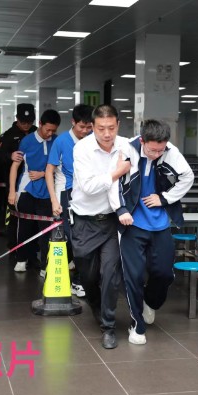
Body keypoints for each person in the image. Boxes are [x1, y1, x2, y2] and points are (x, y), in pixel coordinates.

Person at [110, 120, 194, 345]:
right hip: (132, 224)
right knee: (134, 277)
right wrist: (120, 209)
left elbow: (188, 176)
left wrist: (165, 198)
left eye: (161, 150)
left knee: (165, 274)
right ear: (142, 141)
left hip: (160, 224)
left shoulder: (170, 151)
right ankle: (137, 324)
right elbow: (113, 181)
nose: (157, 154)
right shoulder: (126, 149)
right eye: (152, 150)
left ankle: (151, 301)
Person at [70, 104, 131, 349]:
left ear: (118, 125)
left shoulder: (126, 146)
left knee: (110, 274)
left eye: (112, 128)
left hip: (111, 221)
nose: (107, 134)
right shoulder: (82, 148)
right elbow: (88, 187)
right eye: (101, 128)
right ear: (92, 127)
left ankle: (108, 326)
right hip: (84, 221)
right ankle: (95, 304)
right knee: (88, 275)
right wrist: (117, 173)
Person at [45, 104, 94, 298]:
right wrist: (53, 200)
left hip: (88, 194)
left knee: (84, 237)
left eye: (89, 127)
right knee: (70, 237)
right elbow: (49, 171)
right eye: (82, 126)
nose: (85, 131)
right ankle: (73, 278)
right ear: (73, 122)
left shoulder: (94, 139)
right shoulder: (62, 141)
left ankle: (80, 279)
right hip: (65, 193)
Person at [8, 109, 60, 274]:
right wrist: (12, 191)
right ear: (40, 124)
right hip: (26, 189)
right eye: (47, 130)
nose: (49, 133)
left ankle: (45, 266)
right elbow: (15, 166)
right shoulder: (27, 141)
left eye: (53, 131)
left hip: (48, 191)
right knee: (24, 227)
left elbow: (60, 167)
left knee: (46, 231)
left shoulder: (57, 141)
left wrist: (43, 174)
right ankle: (21, 259)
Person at [0, 103, 37, 246]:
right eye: (23, 122)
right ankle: (14, 245)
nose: (26, 125)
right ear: (17, 119)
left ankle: (33, 244)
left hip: (34, 180)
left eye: (29, 122)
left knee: (33, 214)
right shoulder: (8, 135)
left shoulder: (36, 132)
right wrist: (10, 156)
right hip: (14, 181)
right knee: (14, 213)